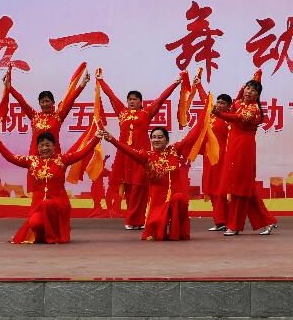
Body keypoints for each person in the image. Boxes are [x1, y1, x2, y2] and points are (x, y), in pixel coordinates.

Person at [97, 108, 207, 241]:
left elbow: (192, 135)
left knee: (178, 199)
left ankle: (175, 232)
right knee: (156, 234)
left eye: (160, 137)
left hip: (175, 196)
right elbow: (129, 151)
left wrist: (206, 114)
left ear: (167, 140)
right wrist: (112, 140)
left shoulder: (174, 151)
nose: (156, 140)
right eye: (153, 137)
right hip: (157, 201)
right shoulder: (146, 156)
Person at [97, 69, 182, 230]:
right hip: (124, 155)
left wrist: (175, 83)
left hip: (141, 156)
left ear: (141, 102)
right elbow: (111, 96)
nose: (132, 101)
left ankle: (135, 220)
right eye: (129, 99)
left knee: (140, 187)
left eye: (135, 99)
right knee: (129, 187)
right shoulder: (122, 112)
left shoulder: (146, 113)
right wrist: (101, 81)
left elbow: (161, 99)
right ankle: (134, 220)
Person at [0, 131, 98, 244]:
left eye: (47, 145)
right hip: (39, 205)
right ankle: (45, 236)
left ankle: (54, 237)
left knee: (47, 204)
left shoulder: (62, 159)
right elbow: (11, 158)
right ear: (37, 148)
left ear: (54, 147)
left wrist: (96, 138)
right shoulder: (31, 161)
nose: (44, 148)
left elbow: (82, 153)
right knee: (34, 223)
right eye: (41, 145)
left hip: (59, 203)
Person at [211, 72, 278, 236]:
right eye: (248, 88)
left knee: (240, 187)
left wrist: (219, 114)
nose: (249, 91)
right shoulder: (239, 103)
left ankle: (234, 225)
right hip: (233, 147)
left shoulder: (254, 110)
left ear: (258, 96)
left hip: (244, 149)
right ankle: (267, 221)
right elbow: (235, 103)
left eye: (253, 90)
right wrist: (251, 82)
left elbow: (235, 118)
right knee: (244, 186)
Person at [4, 70, 90, 155]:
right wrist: (9, 87)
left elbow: (71, 100)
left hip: (54, 157)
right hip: (35, 157)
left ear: (53, 102)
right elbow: (20, 100)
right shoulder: (34, 116)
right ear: (39, 103)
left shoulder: (59, 116)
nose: (45, 104)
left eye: (47, 101)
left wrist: (82, 85)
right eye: (42, 102)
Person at [198, 89, 232, 231]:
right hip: (208, 158)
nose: (219, 105)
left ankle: (223, 221)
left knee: (220, 189)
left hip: (221, 158)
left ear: (229, 106)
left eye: (223, 103)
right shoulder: (210, 116)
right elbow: (206, 101)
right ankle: (219, 220)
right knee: (211, 188)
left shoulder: (229, 119)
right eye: (218, 102)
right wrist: (198, 85)